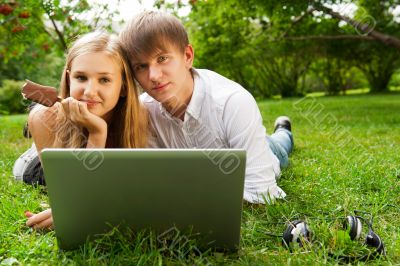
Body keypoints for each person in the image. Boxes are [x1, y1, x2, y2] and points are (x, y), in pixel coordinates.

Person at [118, 11, 294, 204]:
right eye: (141, 66)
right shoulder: (143, 113)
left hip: (263, 150)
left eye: (162, 59)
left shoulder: (233, 102)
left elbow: (261, 194)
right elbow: (152, 182)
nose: (153, 76)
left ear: (187, 56)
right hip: (227, 153)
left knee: (280, 144)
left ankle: (284, 130)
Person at [18, 31, 148, 228]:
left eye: (104, 80)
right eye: (81, 77)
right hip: (39, 165)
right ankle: (31, 142)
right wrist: (97, 133)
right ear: (69, 79)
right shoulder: (45, 117)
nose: (89, 91)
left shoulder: (139, 116)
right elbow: (73, 195)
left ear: (123, 86)